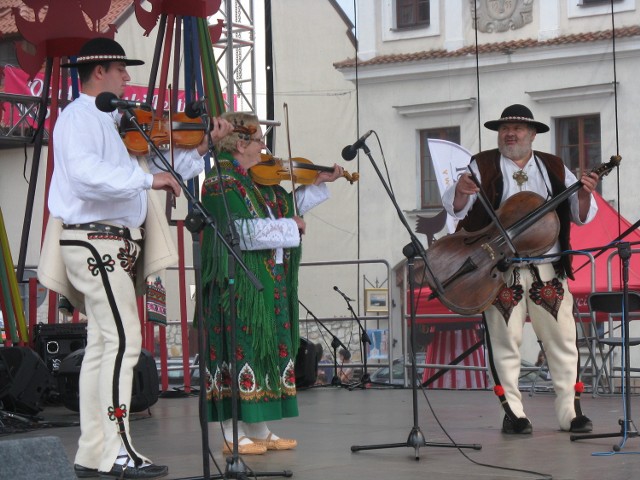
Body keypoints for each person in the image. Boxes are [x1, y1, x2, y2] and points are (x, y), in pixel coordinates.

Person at [38, 37, 232, 479]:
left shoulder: (117, 121)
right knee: (125, 340)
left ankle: (94, 452)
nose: (128, 76)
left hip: (109, 244)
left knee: (105, 346)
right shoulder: (77, 118)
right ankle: (116, 450)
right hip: (93, 241)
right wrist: (147, 180)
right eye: (121, 68)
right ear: (100, 71)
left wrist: (201, 148)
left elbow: (153, 172)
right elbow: (88, 176)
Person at [441, 104, 599, 435]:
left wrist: (584, 194)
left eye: (518, 129)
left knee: (563, 341)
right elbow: (458, 209)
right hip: (500, 270)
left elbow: (581, 213)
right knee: (504, 342)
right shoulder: (481, 164)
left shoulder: (554, 166)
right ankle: (513, 412)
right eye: (505, 129)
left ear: (532, 134)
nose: (510, 133)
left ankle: (570, 412)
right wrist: (460, 190)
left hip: (548, 270)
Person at [200, 111, 344, 455]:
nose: (265, 146)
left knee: (261, 355)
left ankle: (258, 427)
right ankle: (228, 432)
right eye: (260, 139)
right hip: (235, 288)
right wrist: (291, 227)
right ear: (241, 142)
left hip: (263, 284)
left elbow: (285, 207)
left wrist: (319, 182)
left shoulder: (253, 182)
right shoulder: (221, 181)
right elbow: (242, 231)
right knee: (236, 353)